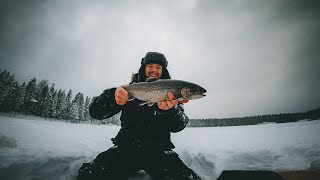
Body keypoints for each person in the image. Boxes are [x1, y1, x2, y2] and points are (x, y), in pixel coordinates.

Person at [77, 52, 201, 180]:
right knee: (90, 176)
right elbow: (95, 111)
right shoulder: (128, 91)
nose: (154, 70)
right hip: (125, 148)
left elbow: (179, 124)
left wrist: (169, 111)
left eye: (158, 67)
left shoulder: (173, 94)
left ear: (163, 70)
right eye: (150, 66)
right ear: (143, 68)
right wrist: (113, 97)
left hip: (159, 151)